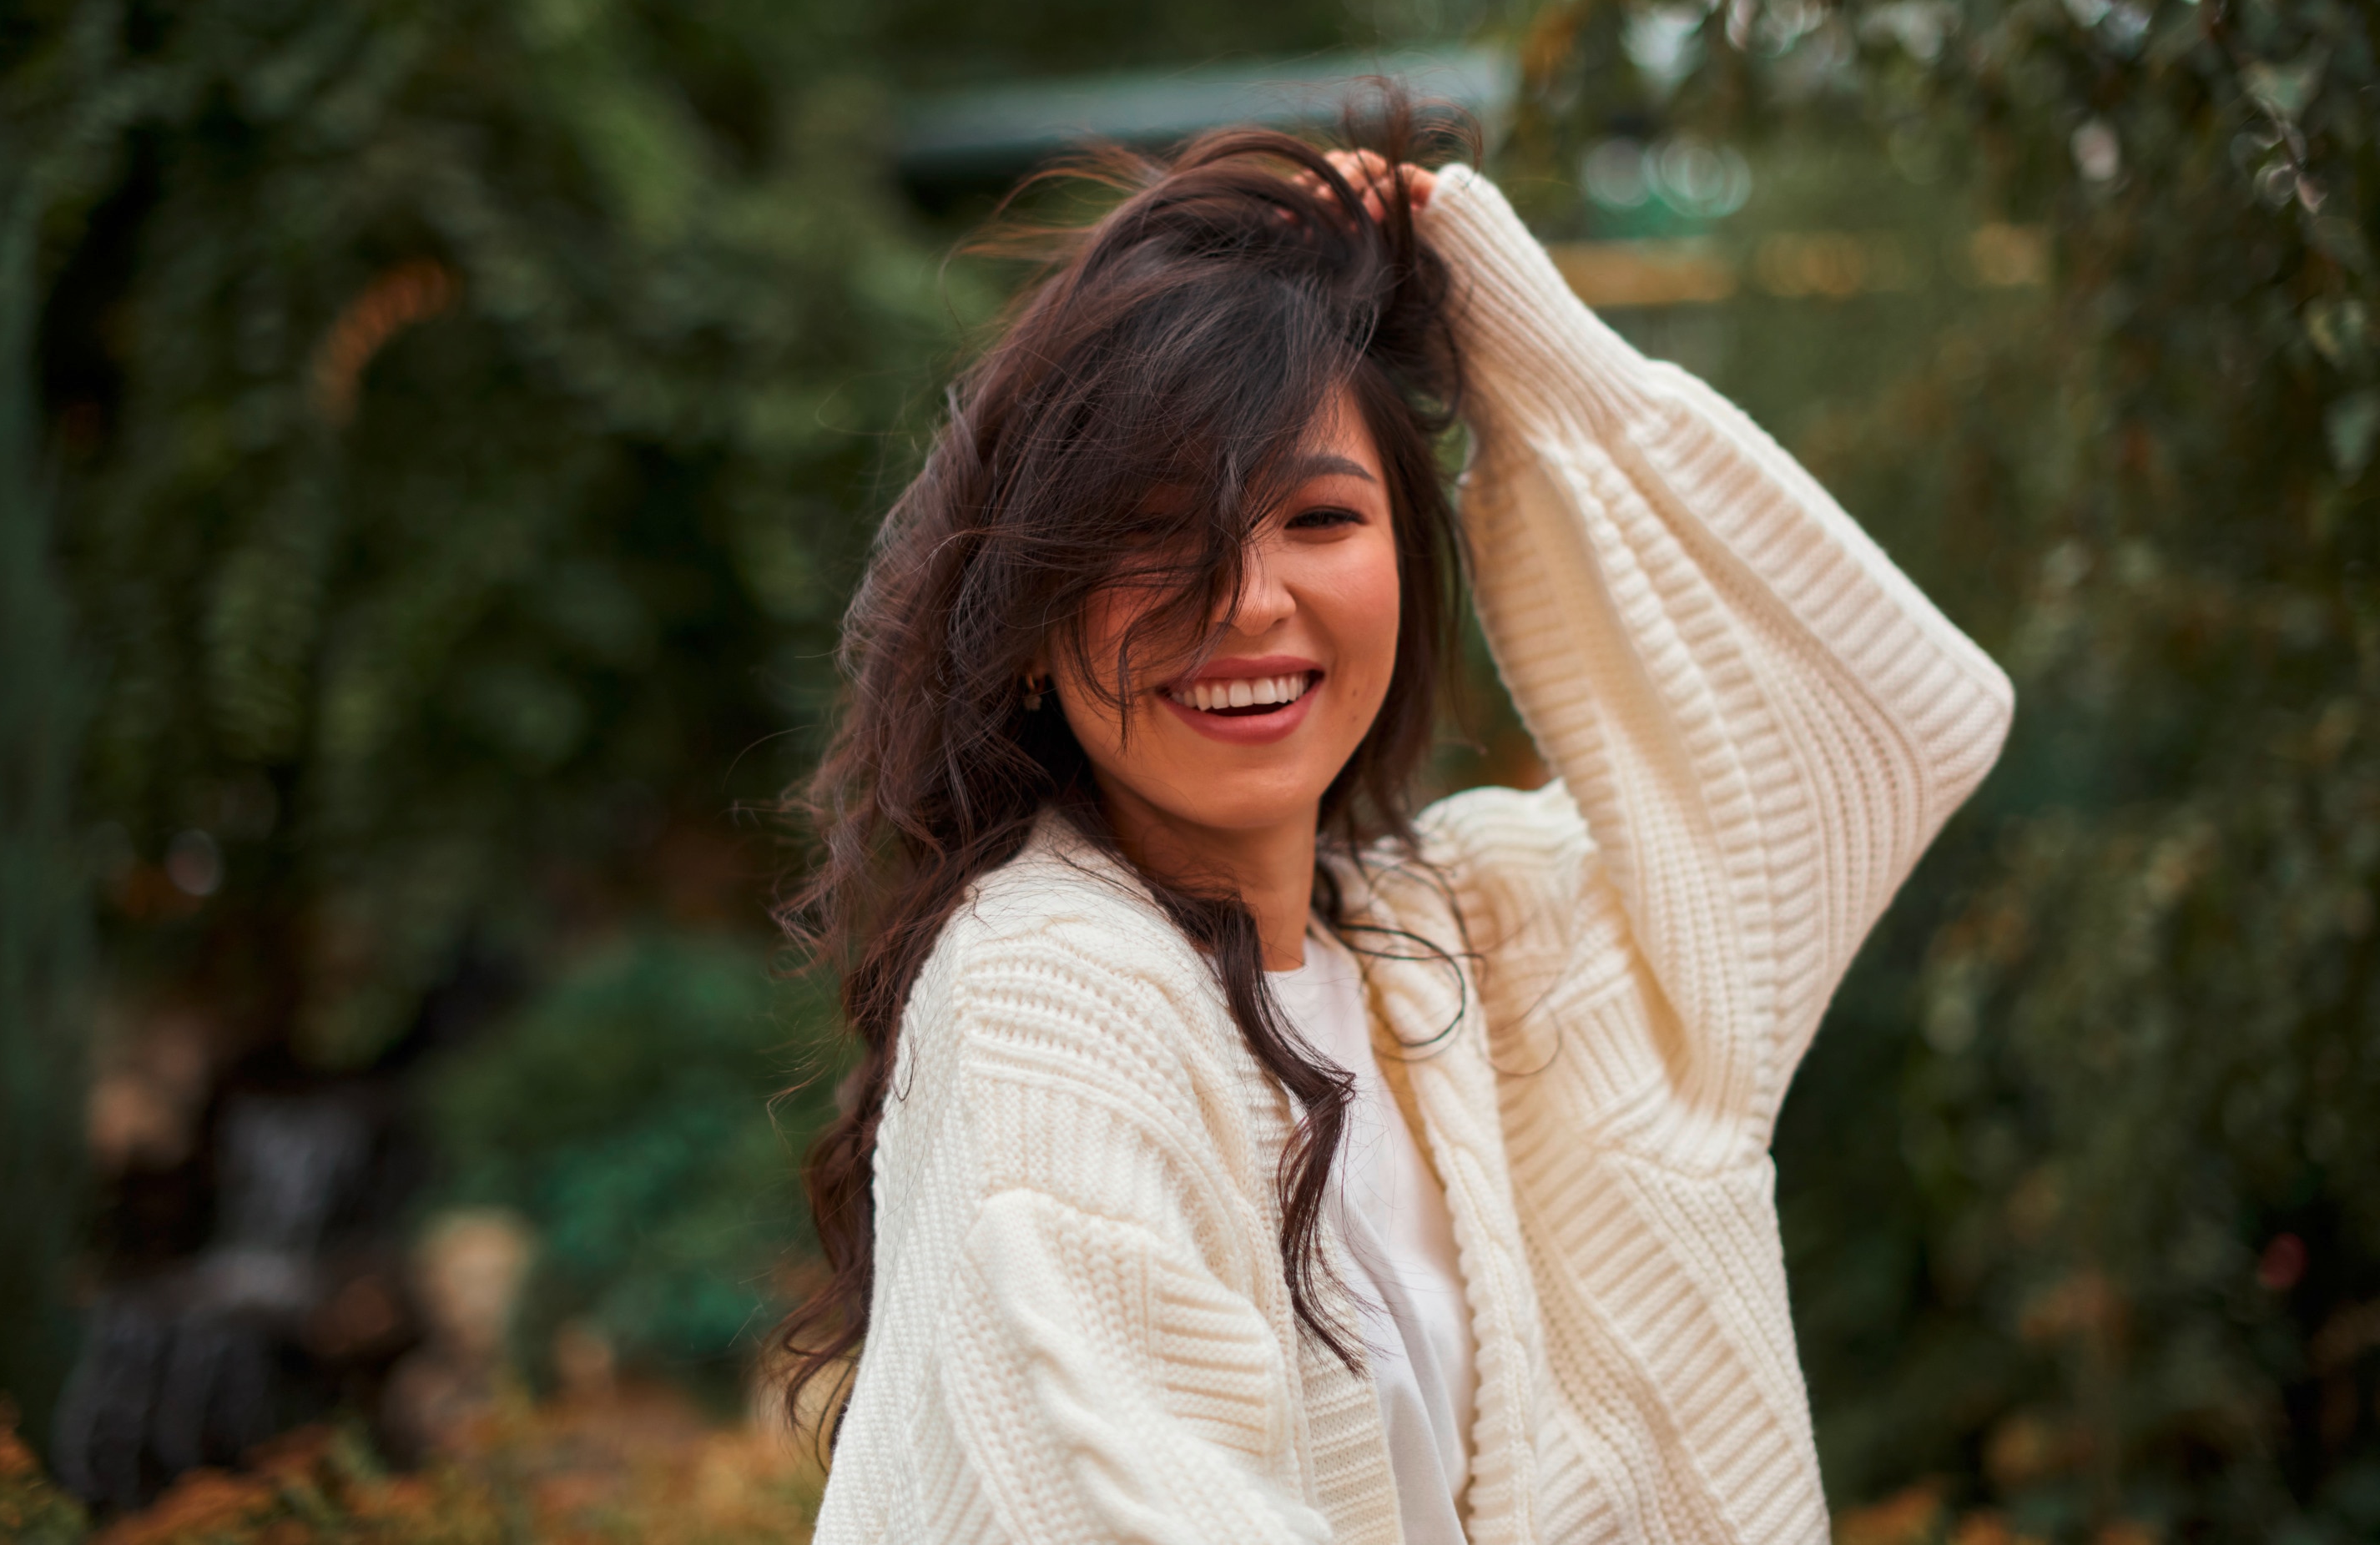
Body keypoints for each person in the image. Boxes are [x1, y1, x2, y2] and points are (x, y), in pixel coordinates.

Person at [773, 99, 2014, 1545]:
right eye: (1158, 529)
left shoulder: (1474, 937)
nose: (1247, 600)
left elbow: (1885, 730)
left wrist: (1504, 331)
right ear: (1030, 629)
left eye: (1318, 518)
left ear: (1413, 563)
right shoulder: (1049, 988)